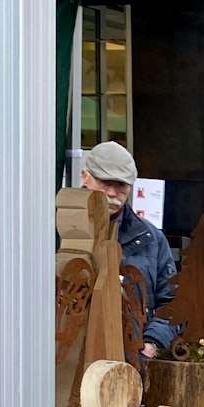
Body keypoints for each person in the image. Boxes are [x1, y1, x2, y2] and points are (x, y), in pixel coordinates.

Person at [81, 140, 175, 358]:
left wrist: (152, 342)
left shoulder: (152, 239)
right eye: (105, 182)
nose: (113, 193)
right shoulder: (53, 231)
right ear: (85, 177)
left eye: (121, 185)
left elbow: (173, 302)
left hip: (130, 361)